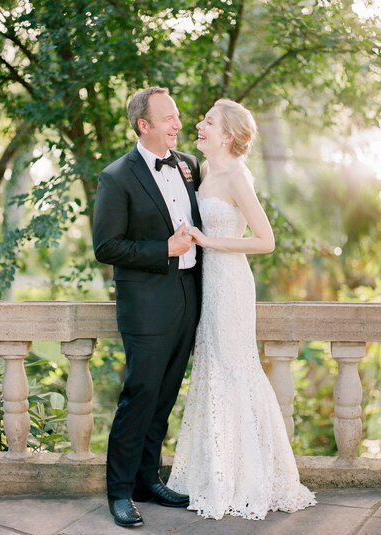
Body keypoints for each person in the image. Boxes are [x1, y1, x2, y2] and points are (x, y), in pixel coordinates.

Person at [167, 98, 317, 520]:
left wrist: (209, 241)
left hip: (231, 283)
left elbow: (266, 240)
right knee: (213, 371)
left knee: (235, 371)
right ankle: (217, 473)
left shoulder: (236, 177)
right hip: (207, 284)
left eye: (208, 122)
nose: (199, 124)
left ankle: (248, 479)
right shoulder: (205, 170)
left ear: (228, 135)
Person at [93, 87, 202, 528]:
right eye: (170, 118)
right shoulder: (116, 177)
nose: (178, 124)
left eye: (177, 117)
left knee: (165, 395)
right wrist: (166, 248)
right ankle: (119, 493)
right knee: (139, 396)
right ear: (144, 125)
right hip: (145, 304)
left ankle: (146, 479)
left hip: (188, 296)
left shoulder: (189, 165)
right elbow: (106, 246)